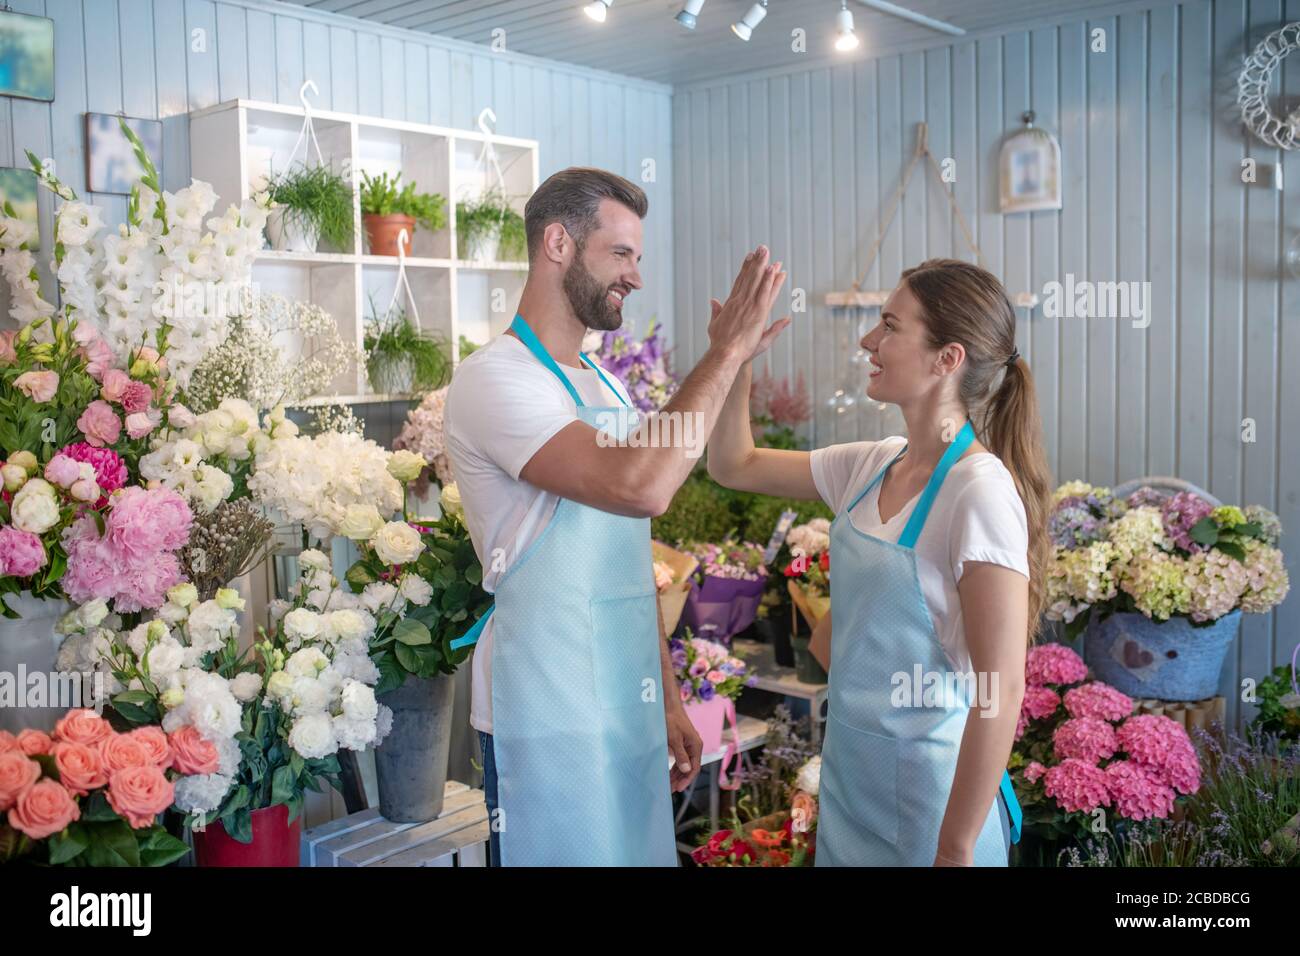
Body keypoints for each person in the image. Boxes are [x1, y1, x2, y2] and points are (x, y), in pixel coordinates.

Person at [445, 167, 789, 866]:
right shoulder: (497, 378)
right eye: (621, 253)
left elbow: (628, 562)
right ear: (558, 244)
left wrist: (663, 698)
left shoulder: (602, 380)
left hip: (625, 701)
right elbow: (642, 487)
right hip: (546, 710)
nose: (635, 275)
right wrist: (723, 353)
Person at [707, 258, 1051, 866]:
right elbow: (733, 464)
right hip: (849, 789)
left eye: (890, 326)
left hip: (934, 811)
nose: (869, 340)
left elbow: (1001, 688)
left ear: (948, 358)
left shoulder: (979, 492)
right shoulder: (871, 466)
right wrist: (735, 358)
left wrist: (956, 849)